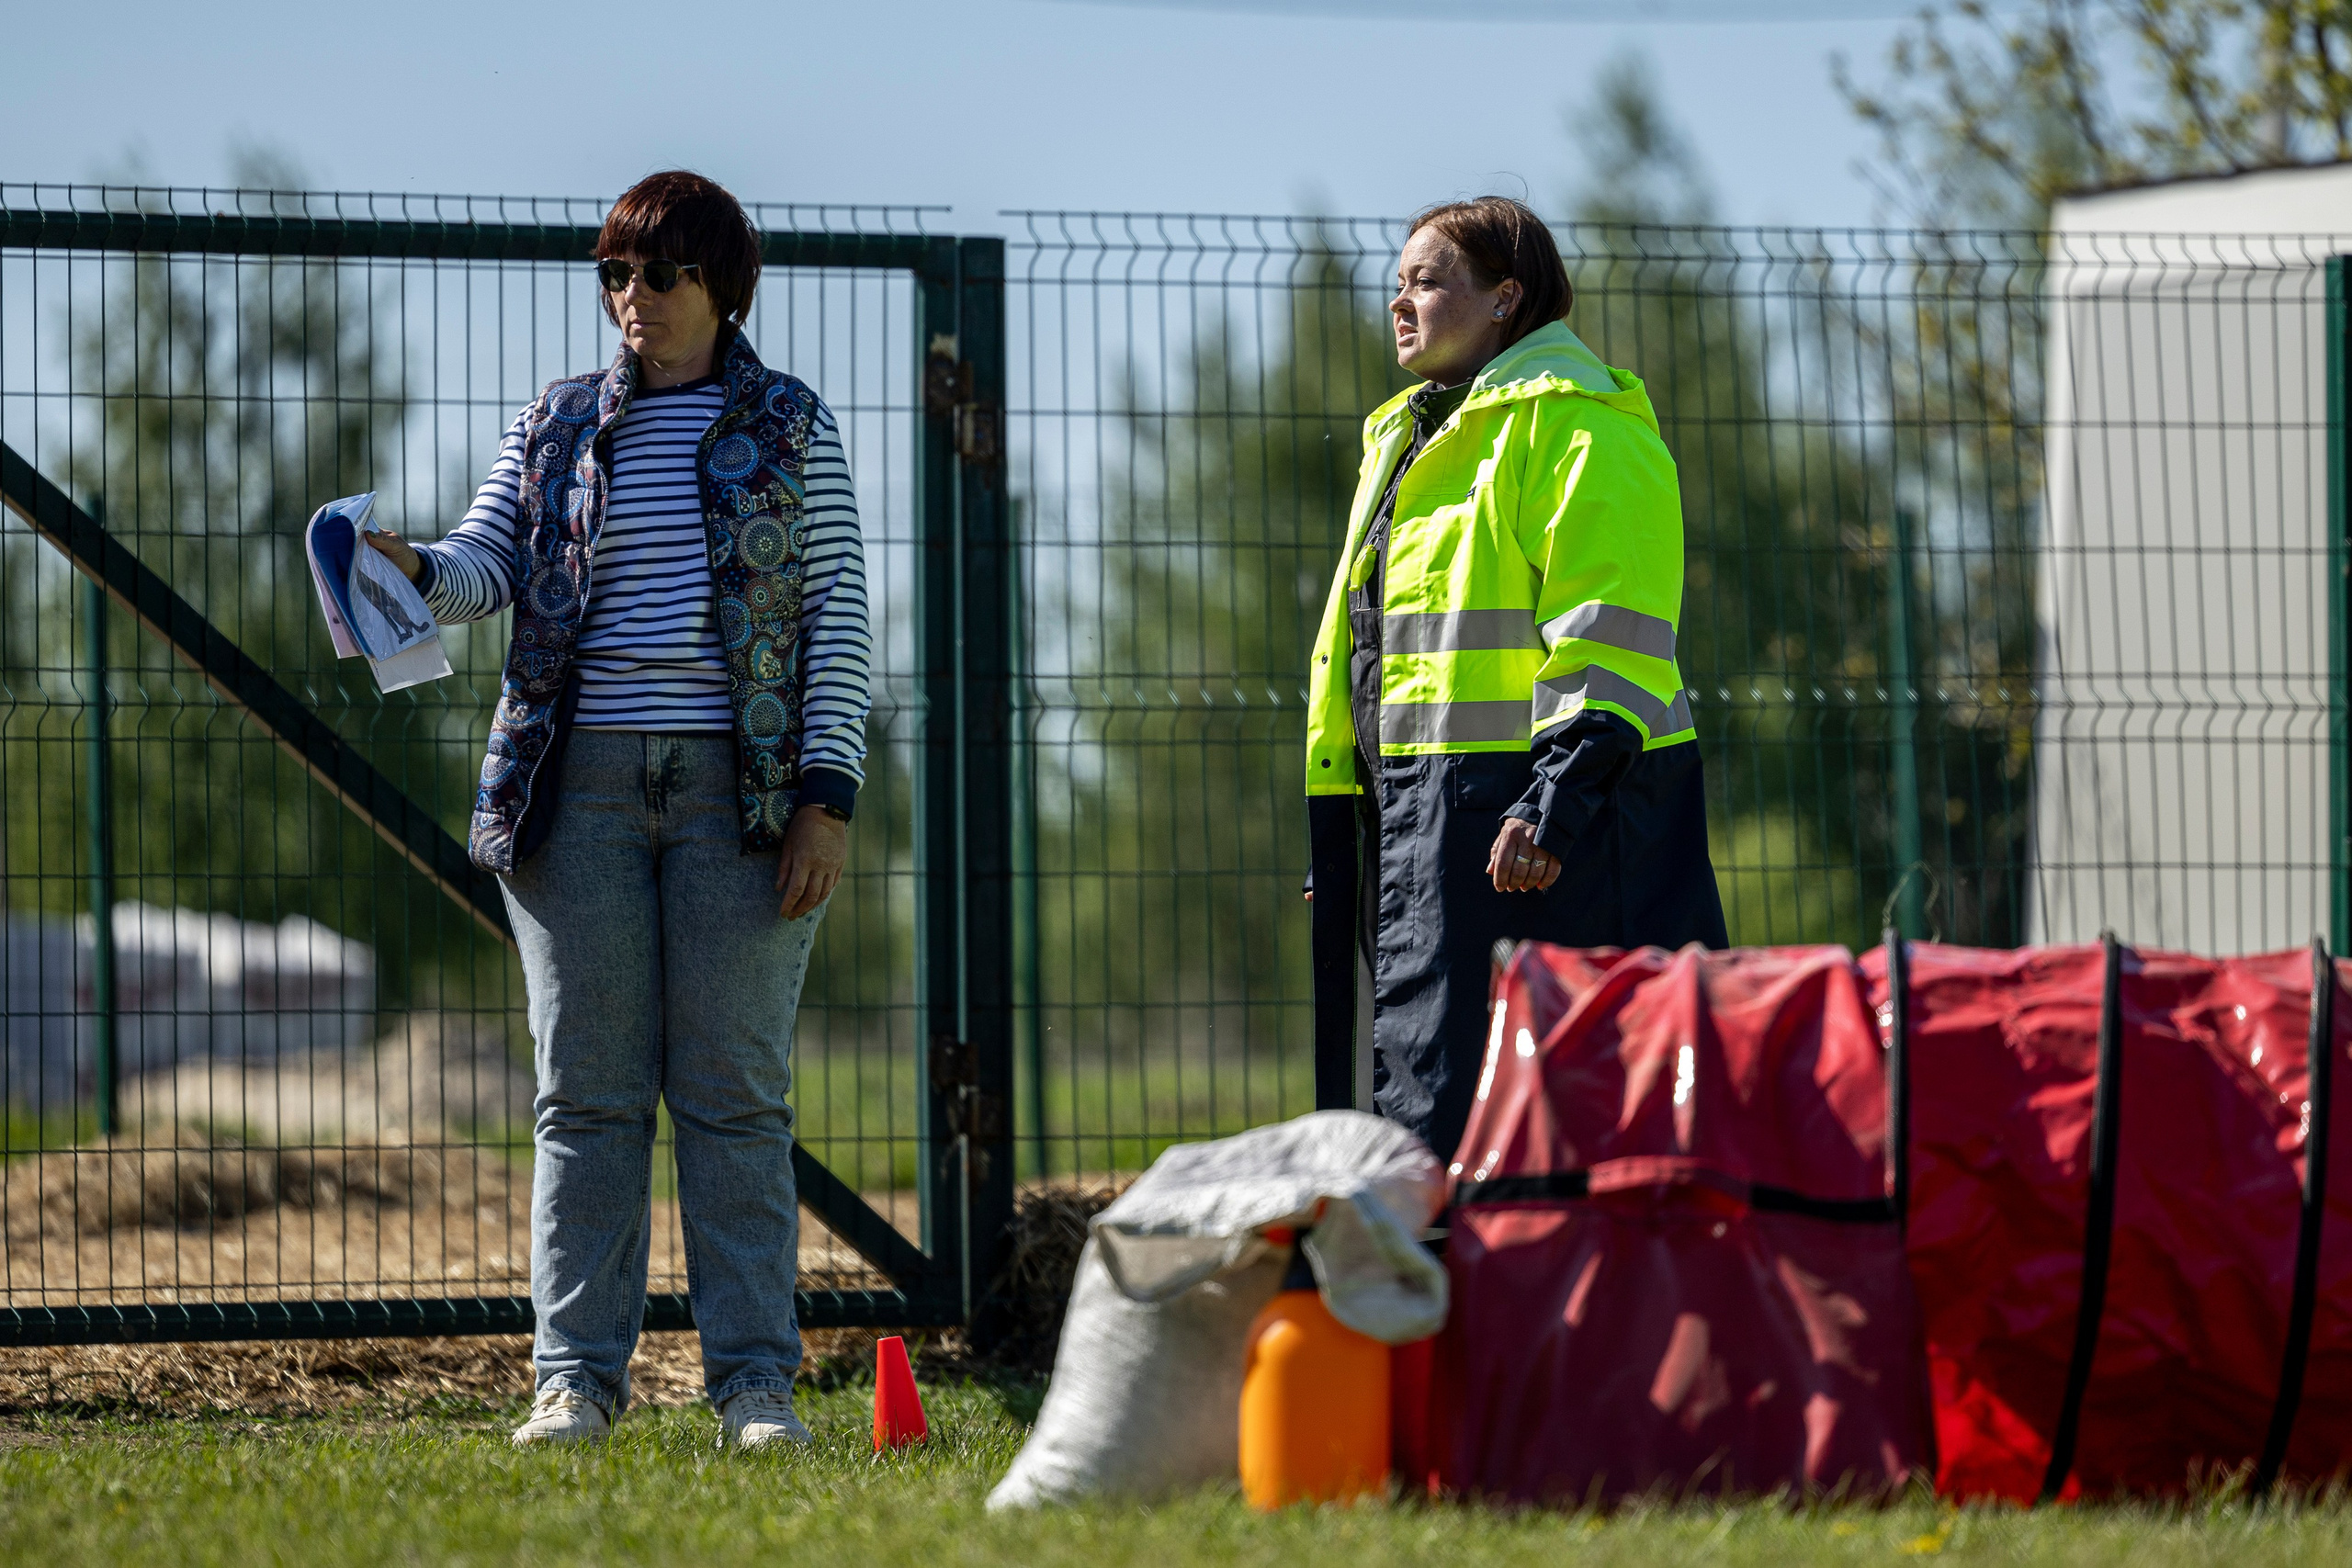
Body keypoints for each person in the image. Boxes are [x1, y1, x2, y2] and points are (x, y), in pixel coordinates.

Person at [366, 170, 869, 1450]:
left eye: (658, 275)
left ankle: (755, 1384)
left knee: (734, 1095)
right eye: (613, 275)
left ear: (721, 287)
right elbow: (488, 566)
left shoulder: (794, 424)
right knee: (584, 1097)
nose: (629, 298)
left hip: (742, 804)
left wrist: (827, 795)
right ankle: (574, 1384)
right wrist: (410, 564)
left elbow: (837, 621)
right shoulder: (555, 422)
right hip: (569, 793)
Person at [1304, 196, 1727, 1168]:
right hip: (1426, 825)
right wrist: (1351, 826)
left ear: (1505, 298)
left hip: (1541, 831)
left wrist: (1552, 804)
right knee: (1431, 1111)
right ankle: (1456, 1315)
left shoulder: (1583, 426)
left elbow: (1610, 635)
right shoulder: (1410, 441)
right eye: (1397, 282)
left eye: (1426, 280)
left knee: (1551, 1118)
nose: (1399, 302)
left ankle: (1545, 1313)